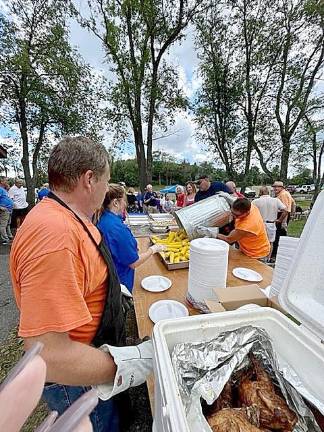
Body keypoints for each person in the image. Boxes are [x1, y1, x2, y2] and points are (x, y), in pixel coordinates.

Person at [10, 136, 153, 432]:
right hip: (75, 380)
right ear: (90, 179)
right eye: (106, 180)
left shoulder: (71, 215)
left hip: (91, 354)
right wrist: (127, 364)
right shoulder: (55, 236)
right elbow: (49, 355)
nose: (107, 189)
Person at [97, 184, 165, 293]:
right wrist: (153, 250)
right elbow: (134, 263)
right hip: (120, 283)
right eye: (124, 201)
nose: (125, 204)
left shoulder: (104, 218)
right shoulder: (117, 228)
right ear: (115, 203)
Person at [253, 186, 288, 260]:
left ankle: (259, 257)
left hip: (260, 224)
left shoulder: (255, 202)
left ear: (260, 192)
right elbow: (285, 210)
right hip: (271, 223)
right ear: (268, 192)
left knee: (259, 241)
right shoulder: (276, 200)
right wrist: (280, 220)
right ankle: (268, 258)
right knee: (270, 242)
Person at [272, 181, 296, 259]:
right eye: (274, 186)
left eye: (277, 186)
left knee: (278, 236)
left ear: (282, 187)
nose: (275, 188)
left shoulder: (283, 195)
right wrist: (292, 214)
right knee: (281, 236)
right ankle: (280, 254)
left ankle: (276, 255)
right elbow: (293, 204)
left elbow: (286, 210)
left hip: (282, 216)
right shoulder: (285, 193)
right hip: (283, 216)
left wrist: (282, 221)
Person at [0, 177, 14, 244]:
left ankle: (9, 236)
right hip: (4, 209)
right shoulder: (0, 189)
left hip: (8, 209)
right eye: (6, 181)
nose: (7, 182)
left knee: (8, 224)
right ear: (1, 182)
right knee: (3, 225)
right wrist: (0, 207)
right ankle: (5, 239)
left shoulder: (4, 189)